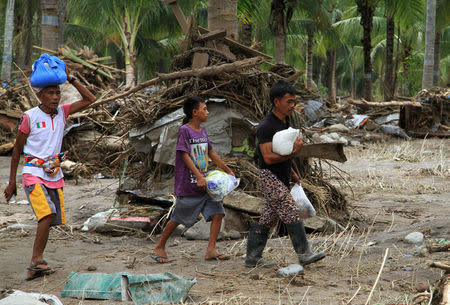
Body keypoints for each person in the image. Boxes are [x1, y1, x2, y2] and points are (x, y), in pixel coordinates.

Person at [3, 67, 96, 280]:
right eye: (50, 93)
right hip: (33, 172)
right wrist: (11, 182)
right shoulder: (29, 117)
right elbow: (17, 149)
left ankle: (36, 264)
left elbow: (90, 98)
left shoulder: (63, 112)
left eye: (57, 93)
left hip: (53, 173)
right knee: (46, 214)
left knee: (51, 217)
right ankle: (36, 259)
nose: (55, 97)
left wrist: (71, 77)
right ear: (39, 95)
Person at [245, 80, 325, 268]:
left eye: (293, 102)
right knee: (290, 209)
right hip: (269, 177)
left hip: (282, 176)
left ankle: (252, 257)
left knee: (267, 218)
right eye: (288, 102)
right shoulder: (266, 126)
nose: (292, 106)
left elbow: (282, 154)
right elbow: (268, 158)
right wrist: (294, 154)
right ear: (276, 101)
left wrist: (292, 172)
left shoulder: (285, 122)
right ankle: (304, 254)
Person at [153, 96, 235, 263]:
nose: (207, 112)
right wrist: (198, 176)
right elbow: (184, 155)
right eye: (204, 109)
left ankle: (211, 250)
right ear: (195, 112)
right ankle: (160, 245)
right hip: (189, 183)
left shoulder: (202, 130)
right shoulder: (185, 130)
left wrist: (226, 169)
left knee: (218, 212)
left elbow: (210, 152)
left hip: (205, 184)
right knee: (178, 217)